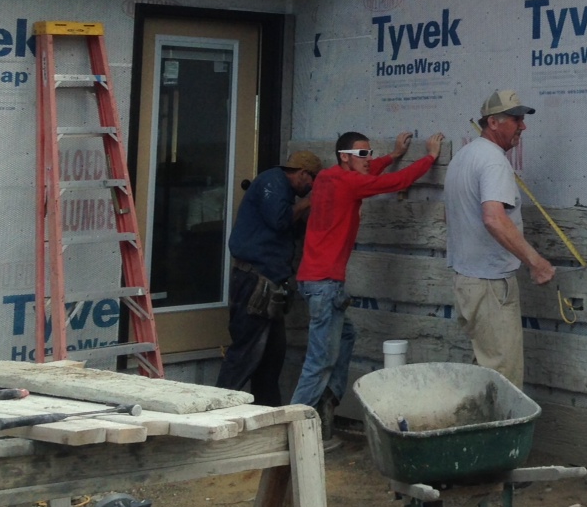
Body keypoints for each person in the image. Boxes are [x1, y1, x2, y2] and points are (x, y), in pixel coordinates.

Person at [291, 130, 445, 420]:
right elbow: (395, 182)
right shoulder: (350, 183)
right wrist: (430, 157)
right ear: (344, 157)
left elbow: (369, 172)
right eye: (363, 154)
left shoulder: (327, 177)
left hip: (313, 283)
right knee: (319, 363)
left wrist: (394, 156)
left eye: (370, 153)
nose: (369, 159)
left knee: (346, 335)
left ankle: (328, 399)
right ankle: (288, 431)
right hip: (325, 286)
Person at [443, 90, 555, 388]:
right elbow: (494, 218)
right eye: (516, 119)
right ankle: (497, 436)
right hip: (490, 286)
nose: (523, 126)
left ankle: (471, 434)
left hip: (468, 282)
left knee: (483, 374)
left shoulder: (464, 156)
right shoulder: (493, 161)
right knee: (502, 382)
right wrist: (536, 262)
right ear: (493, 122)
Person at [217, 151, 319, 405]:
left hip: (270, 283)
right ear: (303, 173)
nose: (311, 187)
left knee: (271, 358)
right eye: (312, 180)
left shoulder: (280, 188)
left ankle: (267, 412)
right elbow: (279, 220)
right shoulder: (272, 182)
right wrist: (308, 203)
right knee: (245, 352)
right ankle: (216, 409)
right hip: (255, 281)